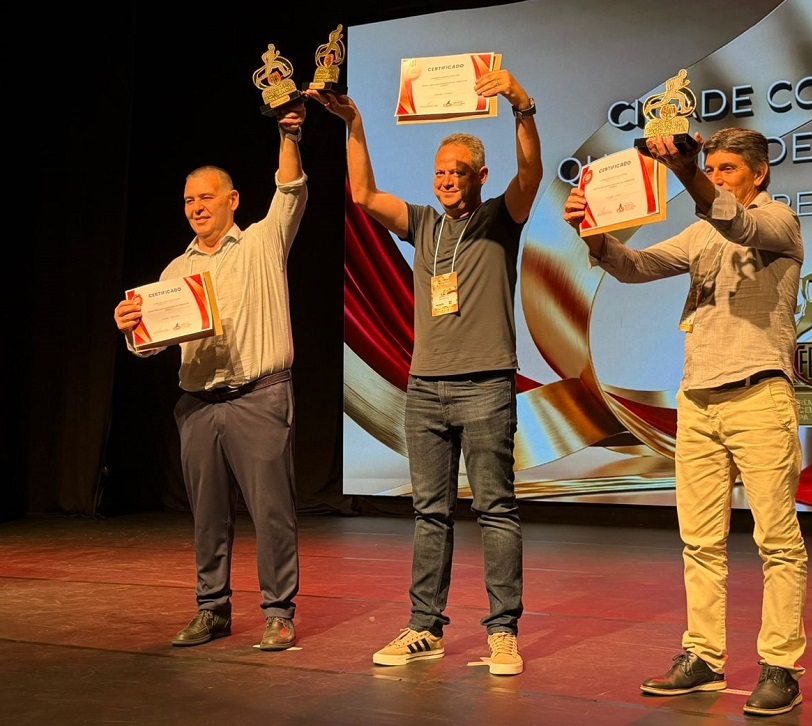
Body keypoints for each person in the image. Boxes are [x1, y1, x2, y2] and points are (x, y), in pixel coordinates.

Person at [563, 127, 808, 716]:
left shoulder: (780, 221)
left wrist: (688, 173)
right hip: (697, 401)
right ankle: (703, 657)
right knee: (699, 540)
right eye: (714, 169)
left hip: (759, 396)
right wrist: (593, 231)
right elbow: (636, 266)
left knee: (776, 540)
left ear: (759, 174)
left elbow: (737, 225)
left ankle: (780, 665)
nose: (719, 177)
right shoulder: (701, 231)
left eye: (728, 169)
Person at [307, 68, 542, 676]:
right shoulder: (424, 224)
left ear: (479, 177)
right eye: (439, 172)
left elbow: (531, 175)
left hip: (487, 385)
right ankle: (424, 627)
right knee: (429, 513)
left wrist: (522, 108)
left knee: (496, 509)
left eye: (456, 172)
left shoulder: (500, 218)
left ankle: (503, 632)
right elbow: (362, 196)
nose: (445, 181)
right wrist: (355, 126)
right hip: (425, 388)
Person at [113, 98, 308, 652]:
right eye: (188, 201)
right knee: (207, 516)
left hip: (259, 397)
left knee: (271, 512)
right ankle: (212, 609)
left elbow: (290, 191)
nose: (196, 207)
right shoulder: (176, 270)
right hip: (197, 404)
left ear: (233, 200)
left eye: (206, 197)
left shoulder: (264, 242)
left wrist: (289, 134)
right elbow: (150, 346)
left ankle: (277, 613)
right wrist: (132, 327)